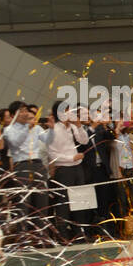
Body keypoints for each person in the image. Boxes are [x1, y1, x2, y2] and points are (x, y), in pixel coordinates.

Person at [3, 101, 53, 235]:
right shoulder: (9, 129)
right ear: (14, 115)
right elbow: (15, 142)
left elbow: (48, 140)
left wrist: (52, 128)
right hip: (22, 165)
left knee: (42, 200)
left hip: (38, 164)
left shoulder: (37, 128)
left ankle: (42, 235)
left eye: (26, 110)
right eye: (22, 111)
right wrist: (27, 128)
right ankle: (23, 237)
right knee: (23, 202)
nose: (25, 113)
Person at [45, 103, 90, 242]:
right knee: (63, 202)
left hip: (77, 167)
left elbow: (84, 140)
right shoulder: (54, 130)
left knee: (79, 201)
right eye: (66, 110)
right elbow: (52, 154)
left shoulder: (72, 127)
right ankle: (62, 235)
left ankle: (80, 232)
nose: (69, 113)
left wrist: (79, 125)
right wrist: (71, 157)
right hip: (63, 169)